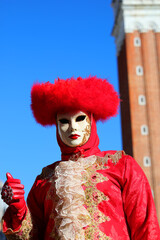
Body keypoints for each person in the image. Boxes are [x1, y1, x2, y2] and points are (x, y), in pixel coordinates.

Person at [1, 76, 160, 240]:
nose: (73, 127)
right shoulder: (44, 180)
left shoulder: (121, 166)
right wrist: (18, 209)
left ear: (91, 121)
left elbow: (147, 228)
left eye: (80, 118)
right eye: (64, 121)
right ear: (56, 126)